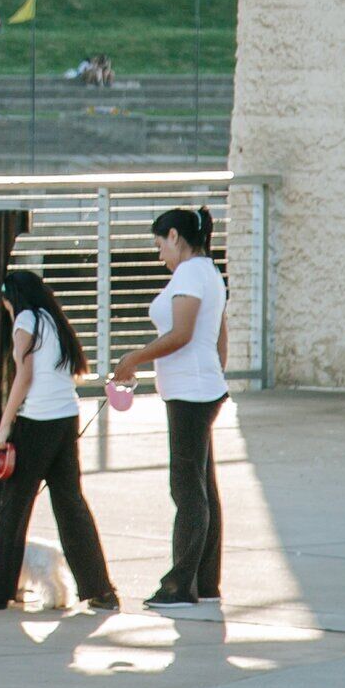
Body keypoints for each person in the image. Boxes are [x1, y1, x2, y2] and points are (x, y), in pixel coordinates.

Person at [0, 268, 119, 611]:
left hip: (37, 421)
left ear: (12, 298)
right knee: (71, 505)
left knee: (13, 506)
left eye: (5, 304)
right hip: (66, 418)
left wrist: (4, 426)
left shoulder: (25, 319)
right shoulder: (52, 320)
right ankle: (99, 589)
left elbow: (24, 376)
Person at [109, 206, 230, 617]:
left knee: (187, 489)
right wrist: (214, 373)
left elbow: (181, 334)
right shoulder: (209, 272)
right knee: (202, 485)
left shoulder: (191, 274)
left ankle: (180, 585)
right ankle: (206, 581)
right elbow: (219, 333)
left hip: (191, 393)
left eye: (160, 245)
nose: (160, 254)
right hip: (201, 387)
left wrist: (133, 359)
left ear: (175, 236)